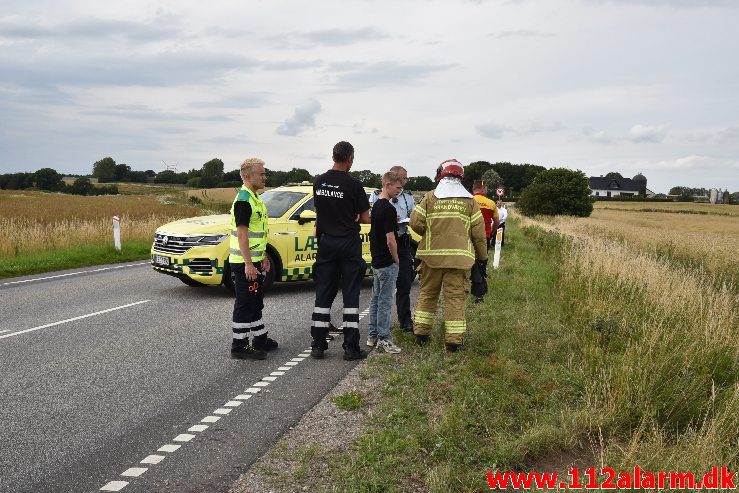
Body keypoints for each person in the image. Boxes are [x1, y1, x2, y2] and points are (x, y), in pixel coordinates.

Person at [410, 159, 488, 352]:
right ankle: (453, 342)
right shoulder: (470, 202)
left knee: (427, 294)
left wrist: (431, 234)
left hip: (430, 259)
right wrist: (482, 258)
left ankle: (421, 334)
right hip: (459, 261)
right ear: (460, 176)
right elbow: (479, 235)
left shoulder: (429, 198)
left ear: (441, 175)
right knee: (454, 298)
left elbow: (415, 224)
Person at [309, 141, 371, 360]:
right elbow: (365, 217)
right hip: (348, 242)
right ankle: (351, 348)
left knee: (323, 292)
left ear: (333, 156)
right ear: (350, 159)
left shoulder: (319, 182)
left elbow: (321, 211)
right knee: (351, 294)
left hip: (325, 242)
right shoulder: (354, 185)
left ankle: (317, 345)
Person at [229, 158, 278, 360]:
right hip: (244, 263)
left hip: (255, 261)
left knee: (256, 301)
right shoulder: (244, 200)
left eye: (264, 174)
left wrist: (263, 255)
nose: (265, 177)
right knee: (245, 303)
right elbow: (242, 235)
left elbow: (258, 233)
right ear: (248, 176)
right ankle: (239, 345)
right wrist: (249, 263)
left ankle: (259, 338)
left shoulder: (255, 198)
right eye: (261, 174)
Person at [369, 165, 415, 331]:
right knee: (381, 293)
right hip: (387, 243)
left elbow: (413, 217)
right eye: (402, 179)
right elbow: (372, 218)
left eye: (406, 179)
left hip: (401, 239)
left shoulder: (408, 197)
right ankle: (379, 331)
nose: (404, 182)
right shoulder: (378, 197)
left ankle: (405, 321)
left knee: (404, 282)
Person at [366, 171, 404, 354]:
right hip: (387, 261)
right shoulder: (388, 209)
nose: (399, 191)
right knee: (385, 301)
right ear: (387, 185)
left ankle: (372, 336)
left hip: (376, 259)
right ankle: (384, 339)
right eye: (397, 187)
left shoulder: (377, 206)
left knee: (376, 299)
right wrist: (397, 259)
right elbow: (390, 239)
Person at [472, 180, 499, 250]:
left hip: (470, 236)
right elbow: (496, 222)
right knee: (483, 259)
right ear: (482, 189)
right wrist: (491, 233)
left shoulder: (468, 201)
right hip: (485, 235)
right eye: (486, 188)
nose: (487, 191)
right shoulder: (491, 203)